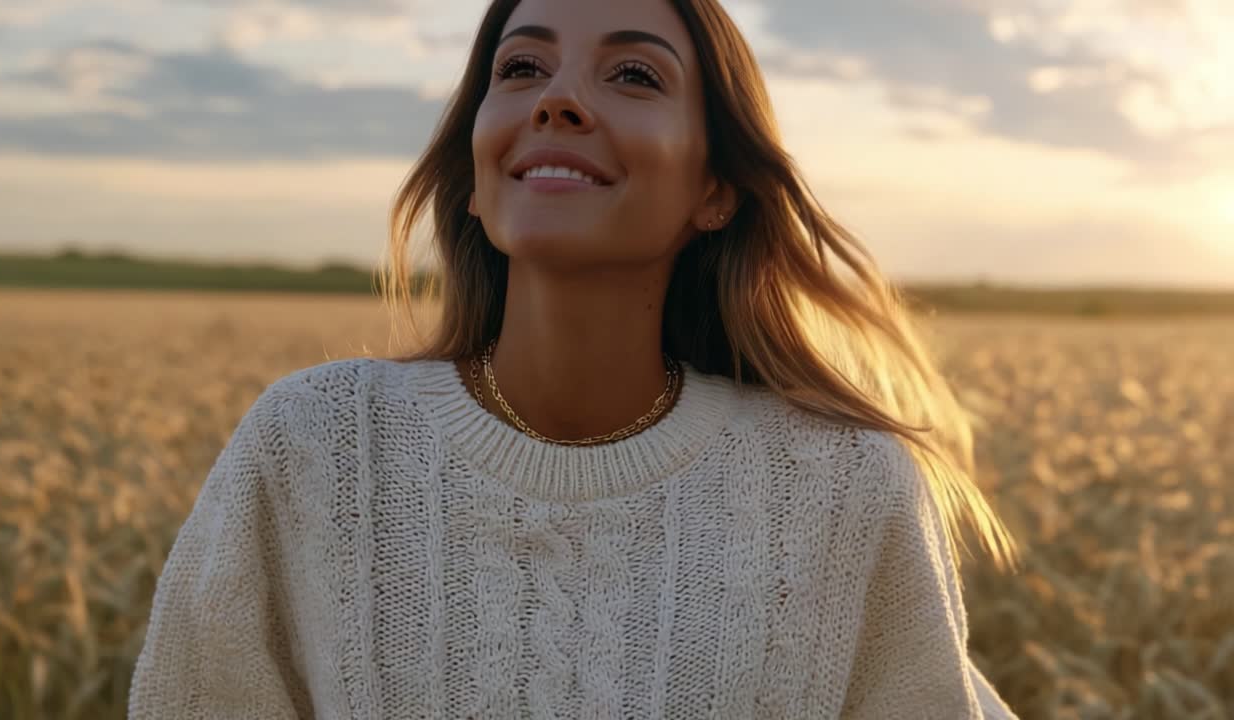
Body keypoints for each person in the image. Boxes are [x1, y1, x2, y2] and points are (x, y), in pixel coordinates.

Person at [128, 0, 1025, 717]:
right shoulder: (319, 442)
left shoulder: (843, 486)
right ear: (476, 175)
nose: (555, 100)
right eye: (521, 68)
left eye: (633, 74)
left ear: (715, 189)